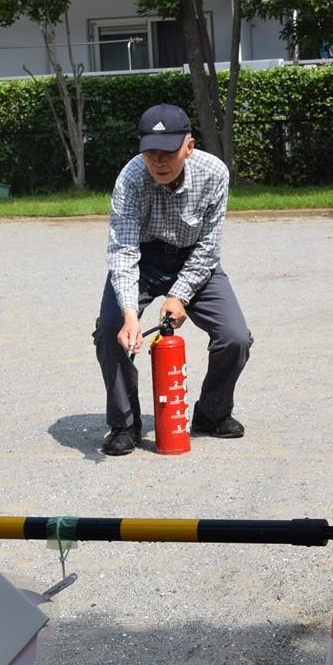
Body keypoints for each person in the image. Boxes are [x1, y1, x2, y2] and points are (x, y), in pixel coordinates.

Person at [93, 104, 252, 456]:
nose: (158, 161)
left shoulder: (214, 173)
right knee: (110, 330)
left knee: (235, 337)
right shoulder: (131, 178)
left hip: (193, 257)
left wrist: (179, 295)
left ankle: (212, 413)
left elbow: (210, 246)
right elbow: (122, 250)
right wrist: (130, 315)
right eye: (150, 152)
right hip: (144, 258)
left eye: (167, 152)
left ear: (189, 147)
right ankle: (124, 424)